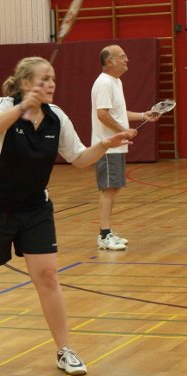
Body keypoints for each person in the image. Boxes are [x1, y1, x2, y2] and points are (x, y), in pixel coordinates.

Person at [0, 57, 134, 376]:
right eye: (44, 79)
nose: (51, 84)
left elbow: (78, 158)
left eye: (53, 79)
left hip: (34, 207)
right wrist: (20, 108)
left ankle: (65, 350)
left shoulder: (56, 117)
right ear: (24, 84)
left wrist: (104, 144)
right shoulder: (2, 106)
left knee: (47, 276)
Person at [91, 44, 160, 250]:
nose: (126, 59)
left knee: (113, 188)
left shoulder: (116, 82)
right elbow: (102, 114)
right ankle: (104, 235)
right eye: (122, 56)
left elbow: (117, 112)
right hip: (107, 146)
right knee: (108, 189)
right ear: (109, 61)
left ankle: (107, 232)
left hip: (116, 145)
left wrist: (142, 115)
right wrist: (123, 130)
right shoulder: (104, 83)